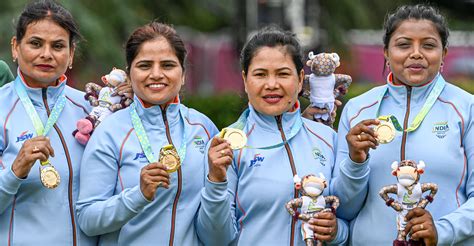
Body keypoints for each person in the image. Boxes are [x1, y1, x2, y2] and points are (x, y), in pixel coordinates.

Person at [196, 26, 370, 245]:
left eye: (282, 73)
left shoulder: (328, 138)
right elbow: (215, 239)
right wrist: (216, 182)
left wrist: (337, 233)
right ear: (245, 79)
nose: (271, 85)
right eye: (260, 74)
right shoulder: (228, 146)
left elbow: (347, 217)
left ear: (299, 80)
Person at [336, 4, 473, 245]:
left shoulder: (466, 108)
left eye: (428, 45)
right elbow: (343, 209)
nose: (416, 53)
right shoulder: (357, 110)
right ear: (386, 53)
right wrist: (356, 162)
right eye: (403, 44)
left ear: (444, 54)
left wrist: (442, 231)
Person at [76, 21, 219, 245]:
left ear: (183, 75)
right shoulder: (110, 132)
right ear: (129, 74)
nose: (156, 74)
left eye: (168, 65)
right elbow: (88, 219)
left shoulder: (203, 127)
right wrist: (138, 195)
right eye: (144, 66)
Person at [0, 0, 97, 245]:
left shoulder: (92, 110)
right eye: (35, 43)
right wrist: (15, 171)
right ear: (15, 47)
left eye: (57, 46)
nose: (46, 54)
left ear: (71, 53)